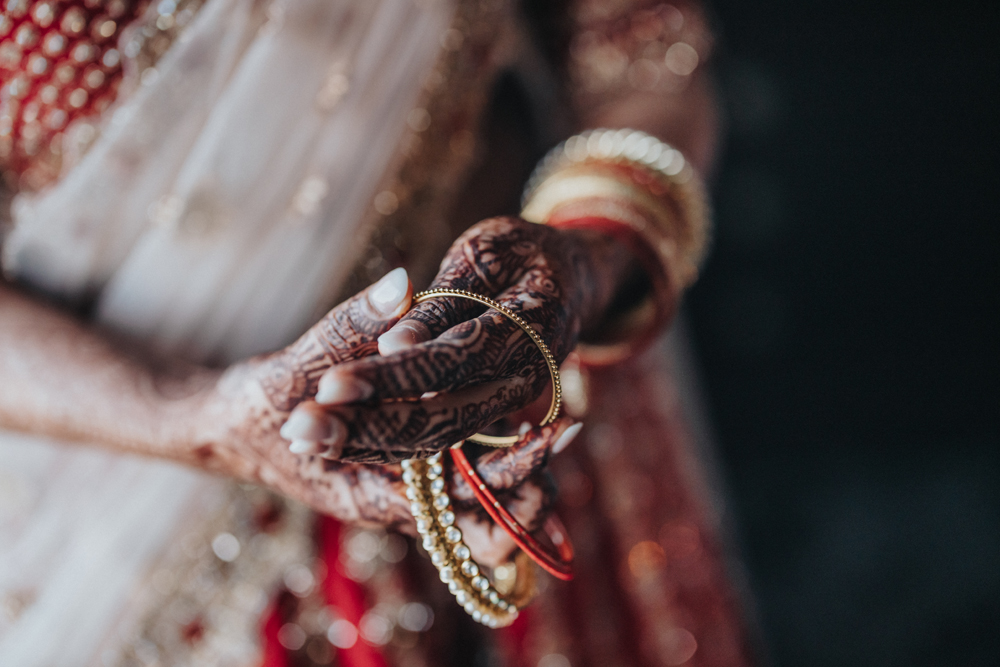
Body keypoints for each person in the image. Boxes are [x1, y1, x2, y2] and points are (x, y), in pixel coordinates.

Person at [0, 0, 753, 665]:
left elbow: (641, 54)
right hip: (107, 511)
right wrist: (195, 416)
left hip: (507, 414)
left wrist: (592, 256)